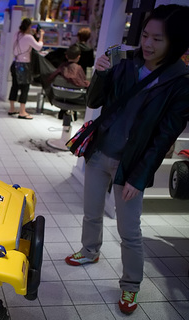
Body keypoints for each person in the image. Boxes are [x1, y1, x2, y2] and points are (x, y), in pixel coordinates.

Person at [65, 4, 189, 315]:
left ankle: (131, 286)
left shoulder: (180, 81)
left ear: (175, 42)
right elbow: (94, 102)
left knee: (129, 231)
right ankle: (90, 251)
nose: (147, 44)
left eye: (157, 39)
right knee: (91, 212)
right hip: (100, 152)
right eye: (145, 35)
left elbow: (164, 136)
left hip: (130, 166)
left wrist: (139, 175)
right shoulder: (125, 62)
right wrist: (102, 74)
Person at [8, 18, 44, 119]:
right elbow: (38, 47)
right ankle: (22, 111)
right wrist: (41, 36)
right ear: (29, 27)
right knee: (25, 87)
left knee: (14, 86)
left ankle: (11, 108)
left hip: (15, 63)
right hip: (24, 65)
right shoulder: (28, 37)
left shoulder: (17, 34)